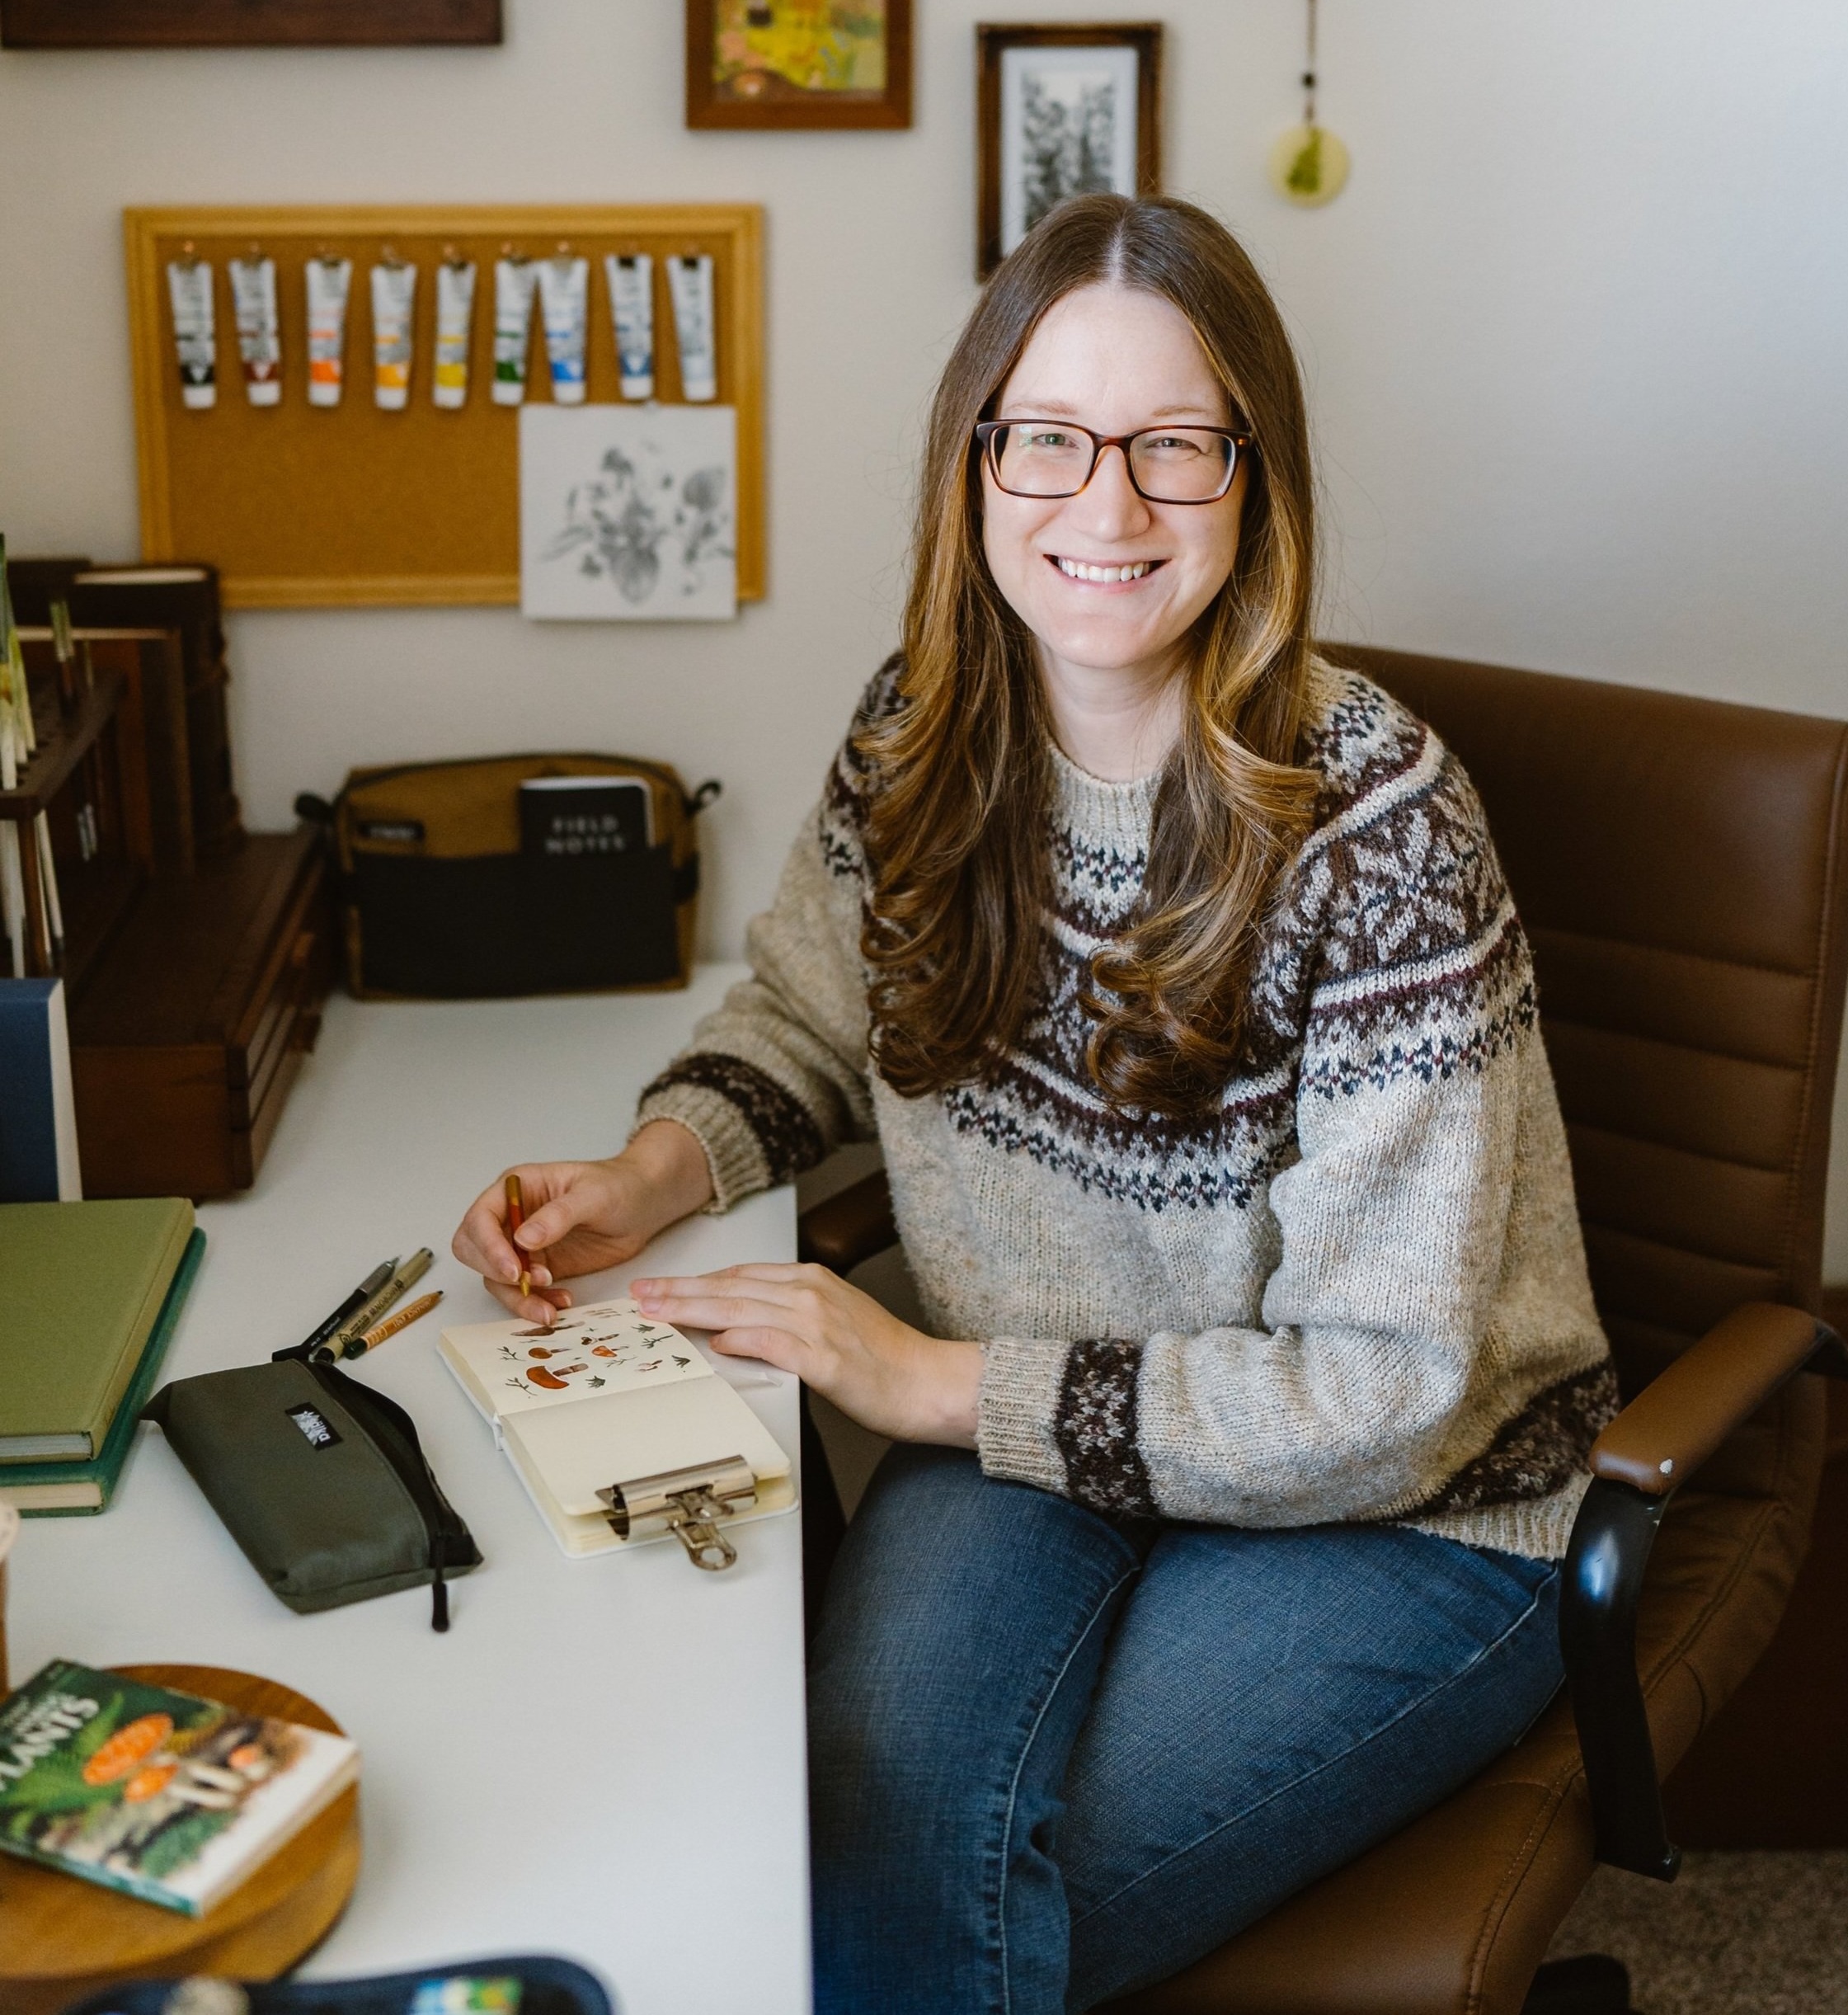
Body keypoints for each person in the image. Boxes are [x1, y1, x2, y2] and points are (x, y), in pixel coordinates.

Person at [453, 193, 1614, 2013]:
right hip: (1039, 1437)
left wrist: (925, 1380)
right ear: (974, 462)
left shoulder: (1377, 820)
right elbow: (815, 1012)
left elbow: (1386, 1393)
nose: (1109, 506)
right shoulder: (923, 735)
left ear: (1255, 480)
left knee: (938, 1909)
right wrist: (658, 1166)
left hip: (1408, 1511)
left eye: (1174, 446)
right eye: (1052, 438)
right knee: (838, 1829)